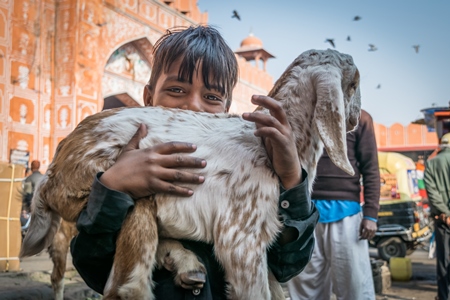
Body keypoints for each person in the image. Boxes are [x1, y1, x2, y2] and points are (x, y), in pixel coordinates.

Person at [70, 25, 319, 299]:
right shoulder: (122, 164)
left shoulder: (243, 173)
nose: (193, 106)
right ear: (148, 99)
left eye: (211, 97)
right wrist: (115, 187)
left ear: (226, 110)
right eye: (176, 90)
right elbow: (93, 266)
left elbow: (287, 265)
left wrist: (291, 179)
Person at [287, 109, 380, 300]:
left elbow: (371, 168)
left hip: (347, 214)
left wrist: (370, 215)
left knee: (354, 285)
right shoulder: (301, 114)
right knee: (305, 285)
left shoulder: (360, 118)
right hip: (305, 213)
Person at [424, 132, 450, 300]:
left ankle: (444, 296)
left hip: (442, 221)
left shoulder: (431, 164)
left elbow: (432, 193)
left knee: (443, 261)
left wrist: (446, 215)